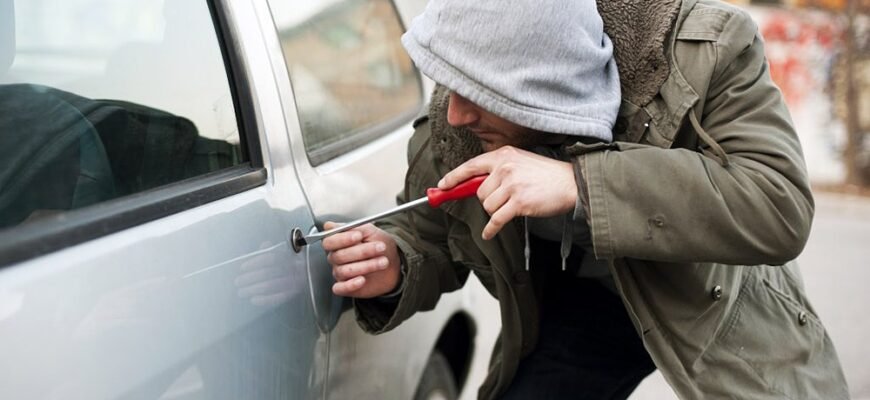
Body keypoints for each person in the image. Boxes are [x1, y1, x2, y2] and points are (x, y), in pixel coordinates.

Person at [323, 0, 849, 399]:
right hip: (580, 308)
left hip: (713, 295)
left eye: (478, 93)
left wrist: (579, 184)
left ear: (542, 86)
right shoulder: (457, 127)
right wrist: (396, 262)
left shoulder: (709, 52)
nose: (456, 114)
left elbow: (777, 205)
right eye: (450, 86)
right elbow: (432, 232)